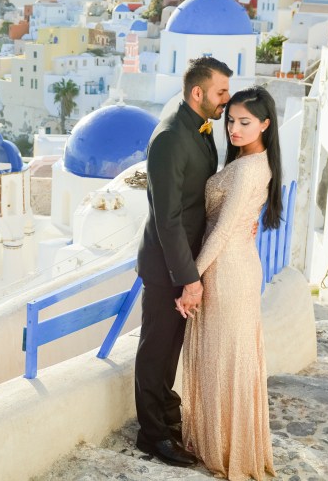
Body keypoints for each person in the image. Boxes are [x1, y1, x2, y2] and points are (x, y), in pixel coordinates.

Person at [179, 86, 281, 481]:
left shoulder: (250, 167)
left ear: (265, 124)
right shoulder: (251, 160)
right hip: (235, 262)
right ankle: (221, 441)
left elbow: (221, 231)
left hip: (227, 270)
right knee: (223, 358)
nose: (234, 129)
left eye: (245, 122)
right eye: (231, 120)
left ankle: (227, 449)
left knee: (224, 360)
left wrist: (191, 278)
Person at [134, 56, 233, 467]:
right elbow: (168, 218)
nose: (226, 99)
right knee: (155, 351)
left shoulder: (200, 126)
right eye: (221, 92)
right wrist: (188, 278)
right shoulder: (171, 137)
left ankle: (166, 419)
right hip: (167, 267)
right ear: (197, 92)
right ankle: (151, 435)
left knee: (170, 350)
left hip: (187, 262)